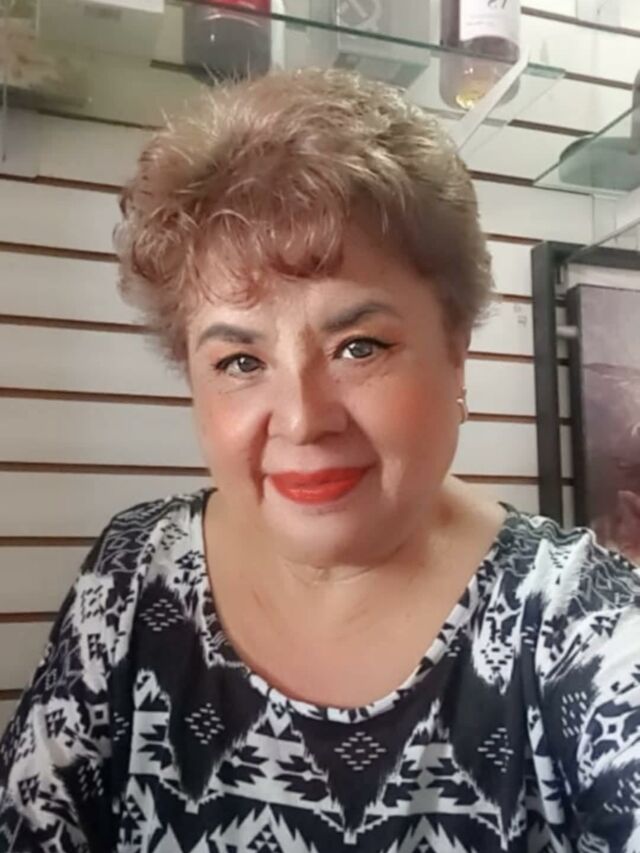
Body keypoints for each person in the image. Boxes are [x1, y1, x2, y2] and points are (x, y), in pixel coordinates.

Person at [1, 68, 640, 853]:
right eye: (240, 361)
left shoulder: (582, 627)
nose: (304, 418)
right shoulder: (134, 578)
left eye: (358, 346)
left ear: (455, 347)